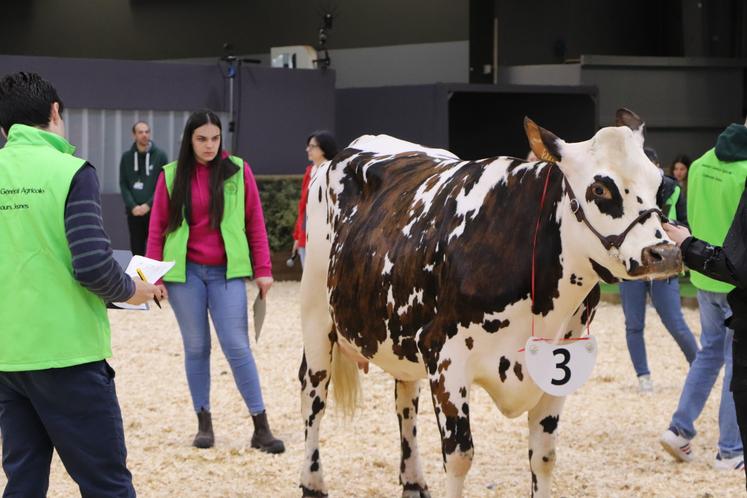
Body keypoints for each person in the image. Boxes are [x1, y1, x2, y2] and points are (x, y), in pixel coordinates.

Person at [0, 71, 161, 496]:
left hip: (9, 359)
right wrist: (133, 289)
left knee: (24, 481)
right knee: (106, 484)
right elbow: (91, 266)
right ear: (55, 112)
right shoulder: (72, 171)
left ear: (5, 128)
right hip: (69, 357)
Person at [146, 110, 284, 453]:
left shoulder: (238, 170)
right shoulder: (171, 175)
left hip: (227, 273)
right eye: (201, 139)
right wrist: (151, 278)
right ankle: (203, 423)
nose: (209, 146)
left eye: (215, 138)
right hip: (184, 275)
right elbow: (156, 229)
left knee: (237, 347)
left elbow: (255, 222)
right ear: (189, 140)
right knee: (196, 348)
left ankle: (261, 427)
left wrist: (263, 269)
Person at [660, 118, 747, 471]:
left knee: (709, 353)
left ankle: (679, 428)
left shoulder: (698, 164)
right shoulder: (744, 172)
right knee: (734, 362)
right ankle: (731, 449)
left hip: (702, 271)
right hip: (732, 277)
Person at [619, 147, 699, 392]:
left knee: (674, 321)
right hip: (633, 264)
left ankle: (699, 366)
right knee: (633, 324)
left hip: (664, 263)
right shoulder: (625, 190)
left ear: (657, 166)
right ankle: (643, 377)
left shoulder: (672, 189)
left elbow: (685, 223)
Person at [119, 121, 168, 255]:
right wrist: (132, 206)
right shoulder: (127, 157)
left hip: (154, 211)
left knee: (156, 247)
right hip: (134, 212)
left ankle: (156, 276)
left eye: (147, 132)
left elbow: (163, 184)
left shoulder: (160, 156)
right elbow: (123, 184)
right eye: (140, 132)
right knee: (137, 248)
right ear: (134, 135)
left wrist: (149, 204)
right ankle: (140, 276)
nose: (144, 135)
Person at [292, 130, 338, 267]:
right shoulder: (309, 172)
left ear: (323, 149)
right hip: (306, 234)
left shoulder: (333, 172)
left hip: (326, 236)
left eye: (312, 146)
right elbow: (303, 207)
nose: (308, 149)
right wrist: (298, 236)